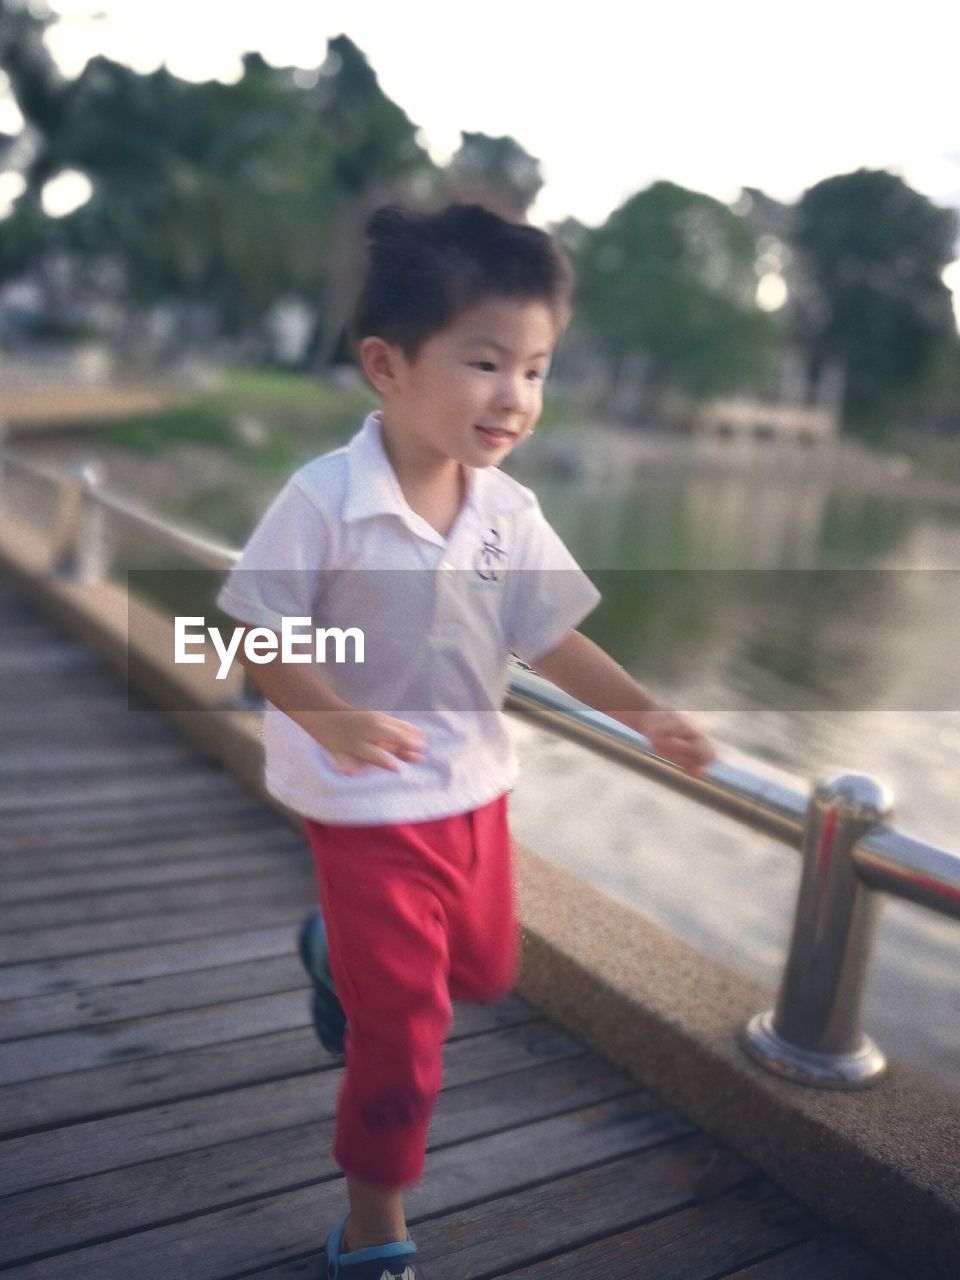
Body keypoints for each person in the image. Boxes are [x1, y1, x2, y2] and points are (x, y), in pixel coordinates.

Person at [215, 203, 715, 1280]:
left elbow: (549, 636)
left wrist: (645, 710)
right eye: (487, 362)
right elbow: (247, 632)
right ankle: (373, 1226)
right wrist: (332, 717)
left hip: (473, 794)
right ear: (387, 364)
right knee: (401, 1036)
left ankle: (327, 955)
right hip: (362, 810)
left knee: (484, 969)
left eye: (535, 370)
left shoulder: (506, 513)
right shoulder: (323, 501)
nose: (516, 397)